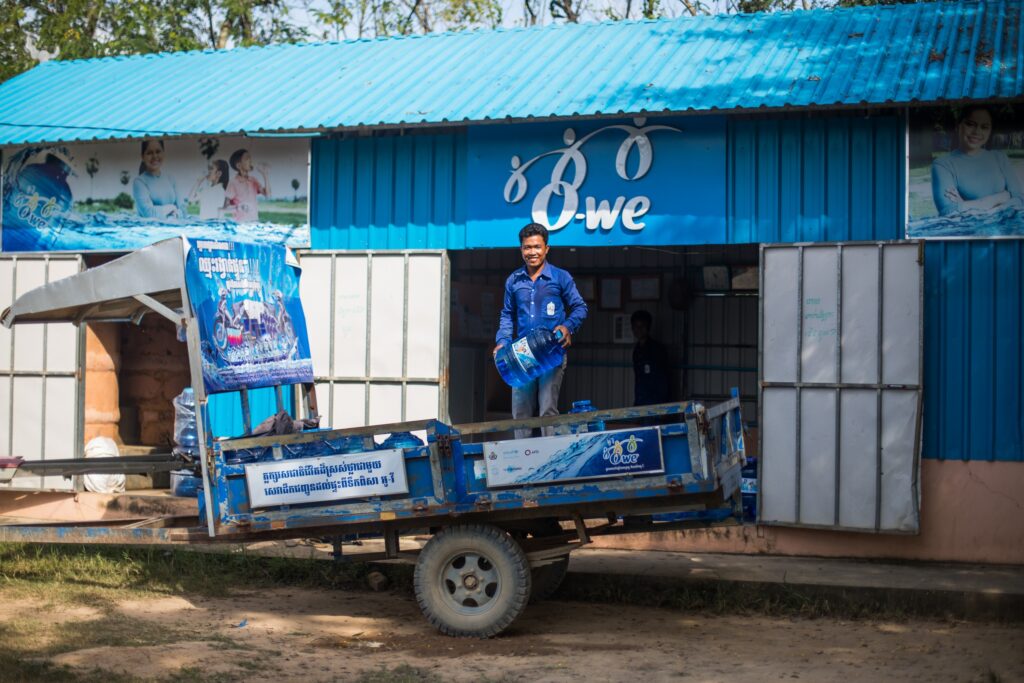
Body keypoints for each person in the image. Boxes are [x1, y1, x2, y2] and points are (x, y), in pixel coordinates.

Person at [494, 222, 587, 439]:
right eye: (527, 247)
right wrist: (502, 341)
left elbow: (580, 307)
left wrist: (568, 326)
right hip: (522, 356)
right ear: (521, 250)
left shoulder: (560, 277)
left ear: (546, 249)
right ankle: (521, 463)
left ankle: (550, 462)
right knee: (521, 413)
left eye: (537, 247)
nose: (532, 252)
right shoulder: (514, 281)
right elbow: (507, 314)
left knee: (547, 410)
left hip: (550, 354)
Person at [931, 106, 1024, 216]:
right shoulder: (942, 165)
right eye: (970, 124)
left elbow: (1020, 200)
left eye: (984, 127)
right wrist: (1002, 197)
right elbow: (949, 212)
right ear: (958, 125)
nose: (977, 131)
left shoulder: (1000, 158)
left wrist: (966, 205)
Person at [132, 140, 188, 219]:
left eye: (158, 151)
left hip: (174, 228)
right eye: (149, 153)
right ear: (142, 156)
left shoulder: (171, 179)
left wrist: (173, 215)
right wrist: (171, 208)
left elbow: (183, 210)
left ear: (163, 153)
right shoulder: (139, 182)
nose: (155, 156)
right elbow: (148, 213)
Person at [630, 310, 670, 408]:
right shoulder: (637, 351)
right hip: (641, 401)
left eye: (642, 326)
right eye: (636, 326)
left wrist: (662, 405)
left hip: (656, 403)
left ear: (648, 327)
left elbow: (663, 380)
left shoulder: (657, 349)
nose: (638, 330)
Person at [226, 149, 271, 222]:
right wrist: (238, 207)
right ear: (239, 165)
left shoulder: (253, 180)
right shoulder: (233, 182)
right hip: (240, 224)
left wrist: (265, 175)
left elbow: (268, 195)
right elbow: (225, 207)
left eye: (250, 158)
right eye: (247, 159)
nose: (251, 161)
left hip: (254, 221)